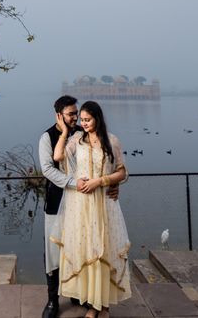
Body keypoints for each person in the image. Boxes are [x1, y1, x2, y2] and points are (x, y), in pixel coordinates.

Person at [38, 95, 118, 318]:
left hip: (85, 206)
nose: (75, 118)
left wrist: (113, 183)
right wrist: (75, 183)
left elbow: (108, 164)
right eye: (71, 114)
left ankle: (81, 293)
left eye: (77, 114)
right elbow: (48, 169)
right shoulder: (47, 137)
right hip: (56, 203)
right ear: (59, 116)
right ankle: (53, 301)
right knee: (54, 253)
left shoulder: (84, 134)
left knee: (84, 248)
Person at [52, 101, 131, 318]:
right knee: (87, 250)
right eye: (82, 120)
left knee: (103, 250)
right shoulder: (77, 140)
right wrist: (65, 132)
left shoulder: (111, 141)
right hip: (81, 206)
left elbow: (122, 172)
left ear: (97, 118)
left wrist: (100, 181)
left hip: (103, 203)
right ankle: (93, 304)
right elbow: (58, 157)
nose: (84, 123)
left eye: (88, 120)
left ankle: (102, 306)